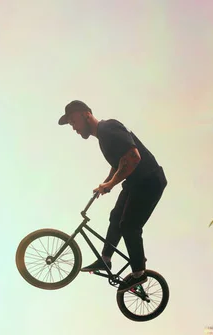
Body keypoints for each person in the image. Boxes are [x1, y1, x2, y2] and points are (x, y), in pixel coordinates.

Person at [58, 100, 167, 293]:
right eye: (70, 125)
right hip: (136, 183)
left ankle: (139, 273)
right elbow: (120, 162)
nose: (73, 128)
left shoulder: (109, 128)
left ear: (86, 114)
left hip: (149, 180)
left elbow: (133, 157)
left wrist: (111, 184)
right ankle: (105, 260)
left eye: (73, 121)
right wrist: (106, 182)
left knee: (129, 226)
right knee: (116, 217)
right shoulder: (103, 138)